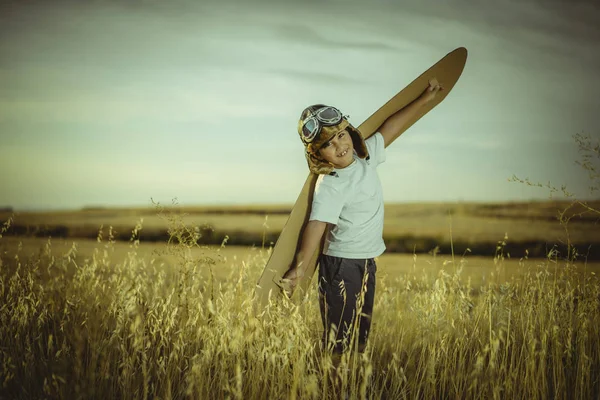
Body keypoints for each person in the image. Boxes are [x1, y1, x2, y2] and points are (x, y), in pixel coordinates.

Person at [281, 79, 444, 355]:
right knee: (339, 341)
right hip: (341, 265)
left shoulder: (365, 157)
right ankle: (334, 388)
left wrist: (424, 101)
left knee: (359, 336)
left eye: (341, 135)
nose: (339, 146)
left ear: (349, 131)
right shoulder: (331, 182)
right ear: (317, 155)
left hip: (367, 261)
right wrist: (300, 266)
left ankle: (350, 384)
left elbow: (391, 127)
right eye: (328, 145)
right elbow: (317, 225)